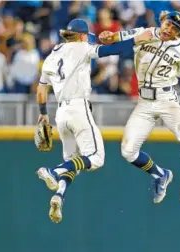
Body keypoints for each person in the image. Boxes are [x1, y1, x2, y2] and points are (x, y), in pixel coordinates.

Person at [35, 19, 152, 223]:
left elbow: (41, 89)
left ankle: (58, 195)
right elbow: (111, 51)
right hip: (78, 108)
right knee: (96, 158)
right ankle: (52, 171)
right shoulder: (81, 47)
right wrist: (137, 39)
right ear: (81, 36)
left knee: (73, 163)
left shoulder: (51, 57)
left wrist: (43, 114)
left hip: (60, 113)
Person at [99, 11, 180, 204]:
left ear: (179, 33)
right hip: (144, 102)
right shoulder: (143, 33)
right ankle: (160, 174)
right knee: (128, 151)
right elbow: (115, 38)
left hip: (166, 99)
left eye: (174, 28)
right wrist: (107, 37)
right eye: (168, 24)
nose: (169, 29)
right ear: (162, 21)